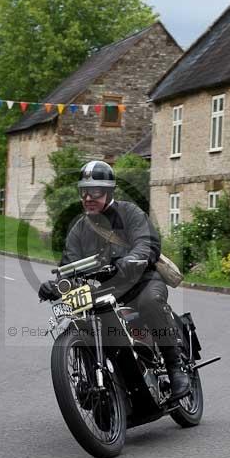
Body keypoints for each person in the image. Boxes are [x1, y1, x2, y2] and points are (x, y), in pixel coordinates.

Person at [38, 160, 190, 400]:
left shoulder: (129, 213)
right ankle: (104, 386)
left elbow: (146, 241)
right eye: (83, 191)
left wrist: (132, 258)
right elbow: (68, 267)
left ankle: (174, 367)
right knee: (85, 322)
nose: (88, 197)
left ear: (108, 192)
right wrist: (56, 286)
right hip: (103, 293)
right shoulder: (78, 229)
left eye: (95, 192)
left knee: (151, 302)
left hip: (141, 283)